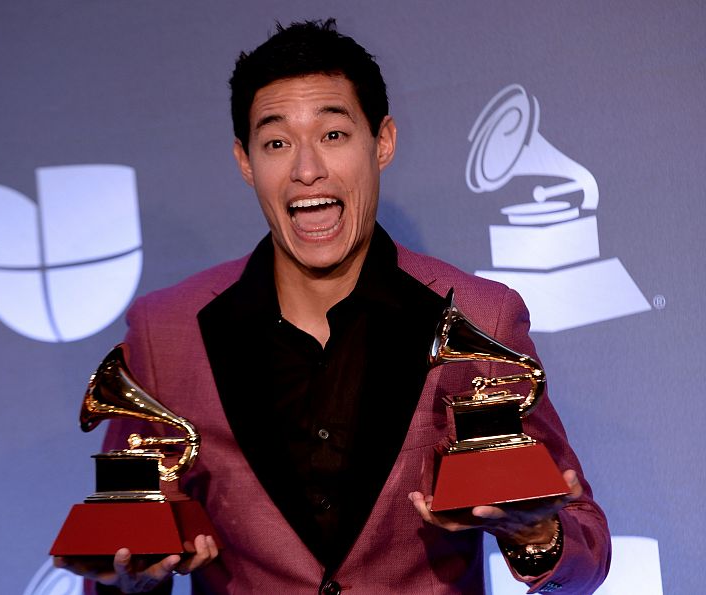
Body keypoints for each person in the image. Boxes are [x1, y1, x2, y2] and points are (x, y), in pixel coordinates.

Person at [56, 19, 610, 594]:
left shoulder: (480, 314)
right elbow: (121, 541)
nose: (305, 168)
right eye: (276, 142)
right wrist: (130, 583)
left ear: (383, 142)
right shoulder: (165, 332)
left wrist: (537, 536)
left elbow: (587, 552)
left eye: (334, 135)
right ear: (246, 162)